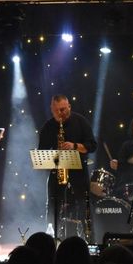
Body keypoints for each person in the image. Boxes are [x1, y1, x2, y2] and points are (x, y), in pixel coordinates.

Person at [38, 95, 97, 239]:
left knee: (84, 205)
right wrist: (55, 155)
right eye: (57, 110)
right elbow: (41, 152)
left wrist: (74, 146)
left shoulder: (80, 121)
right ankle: (51, 238)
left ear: (69, 107)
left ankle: (90, 239)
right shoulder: (48, 126)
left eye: (63, 109)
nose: (60, 113)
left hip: (79, 171)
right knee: (52, 205)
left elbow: (92, 146)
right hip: (57, 171)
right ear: (52, 109)